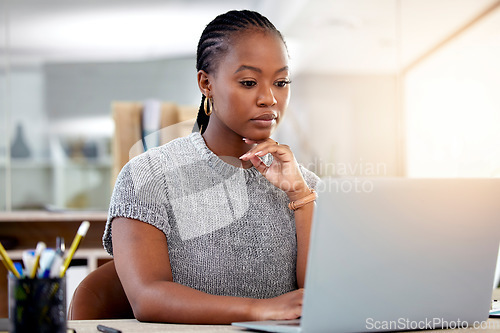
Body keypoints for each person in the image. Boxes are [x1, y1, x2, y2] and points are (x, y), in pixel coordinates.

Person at [103, 9, 320, 324]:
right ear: (206, 84)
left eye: (281, 82)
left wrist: (301, 196)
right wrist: (257, 311)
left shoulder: (306, 185)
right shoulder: (147, 177)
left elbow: (322, 298)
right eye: (248, 82)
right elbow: (147, 297)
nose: (270, 99)